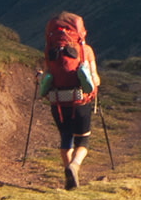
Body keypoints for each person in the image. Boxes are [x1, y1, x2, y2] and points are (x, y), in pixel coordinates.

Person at [36, 11, 100, 189]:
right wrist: (95, 83)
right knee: (83, 140)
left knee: (66, 137)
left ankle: (68, 173)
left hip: (57, 102)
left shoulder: (50, 52)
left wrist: (39, 77)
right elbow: (94, 78)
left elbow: (47, 76)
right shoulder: (86, 51)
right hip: (80, 101)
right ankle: (75, 165)